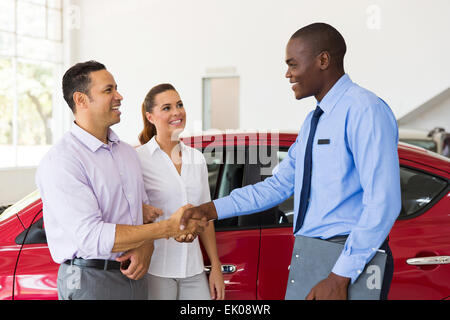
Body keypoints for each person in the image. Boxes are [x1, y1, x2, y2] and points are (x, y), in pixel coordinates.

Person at [179, 23, 401, 300]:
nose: (287, 73)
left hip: (347, 258)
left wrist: (339, 276)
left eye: (293, 64)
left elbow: (383, 201)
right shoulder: (313, 121)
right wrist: (210, 209)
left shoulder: (365, 110)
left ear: (323, 60)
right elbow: (277, 186)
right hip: (312, 251)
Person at [35, 61, 206, 300]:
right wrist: (167, 228)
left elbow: (142, 214)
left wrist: (146, 246)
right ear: (81, 100)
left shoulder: (126, 153)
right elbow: (91, 236)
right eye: (108, 90)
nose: (119, 96)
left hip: (134, 276)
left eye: (116, 88)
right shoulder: (62, 161)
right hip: (89, 279)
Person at [136, 83, 225, 300]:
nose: (176, 112)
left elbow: (206, 216)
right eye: (166, 108)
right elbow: (128, 213)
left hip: (193, 270)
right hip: (156, 270)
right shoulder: (138, 160)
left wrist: (215, 266)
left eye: (179, 105)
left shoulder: (197, 158)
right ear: (150, 117)